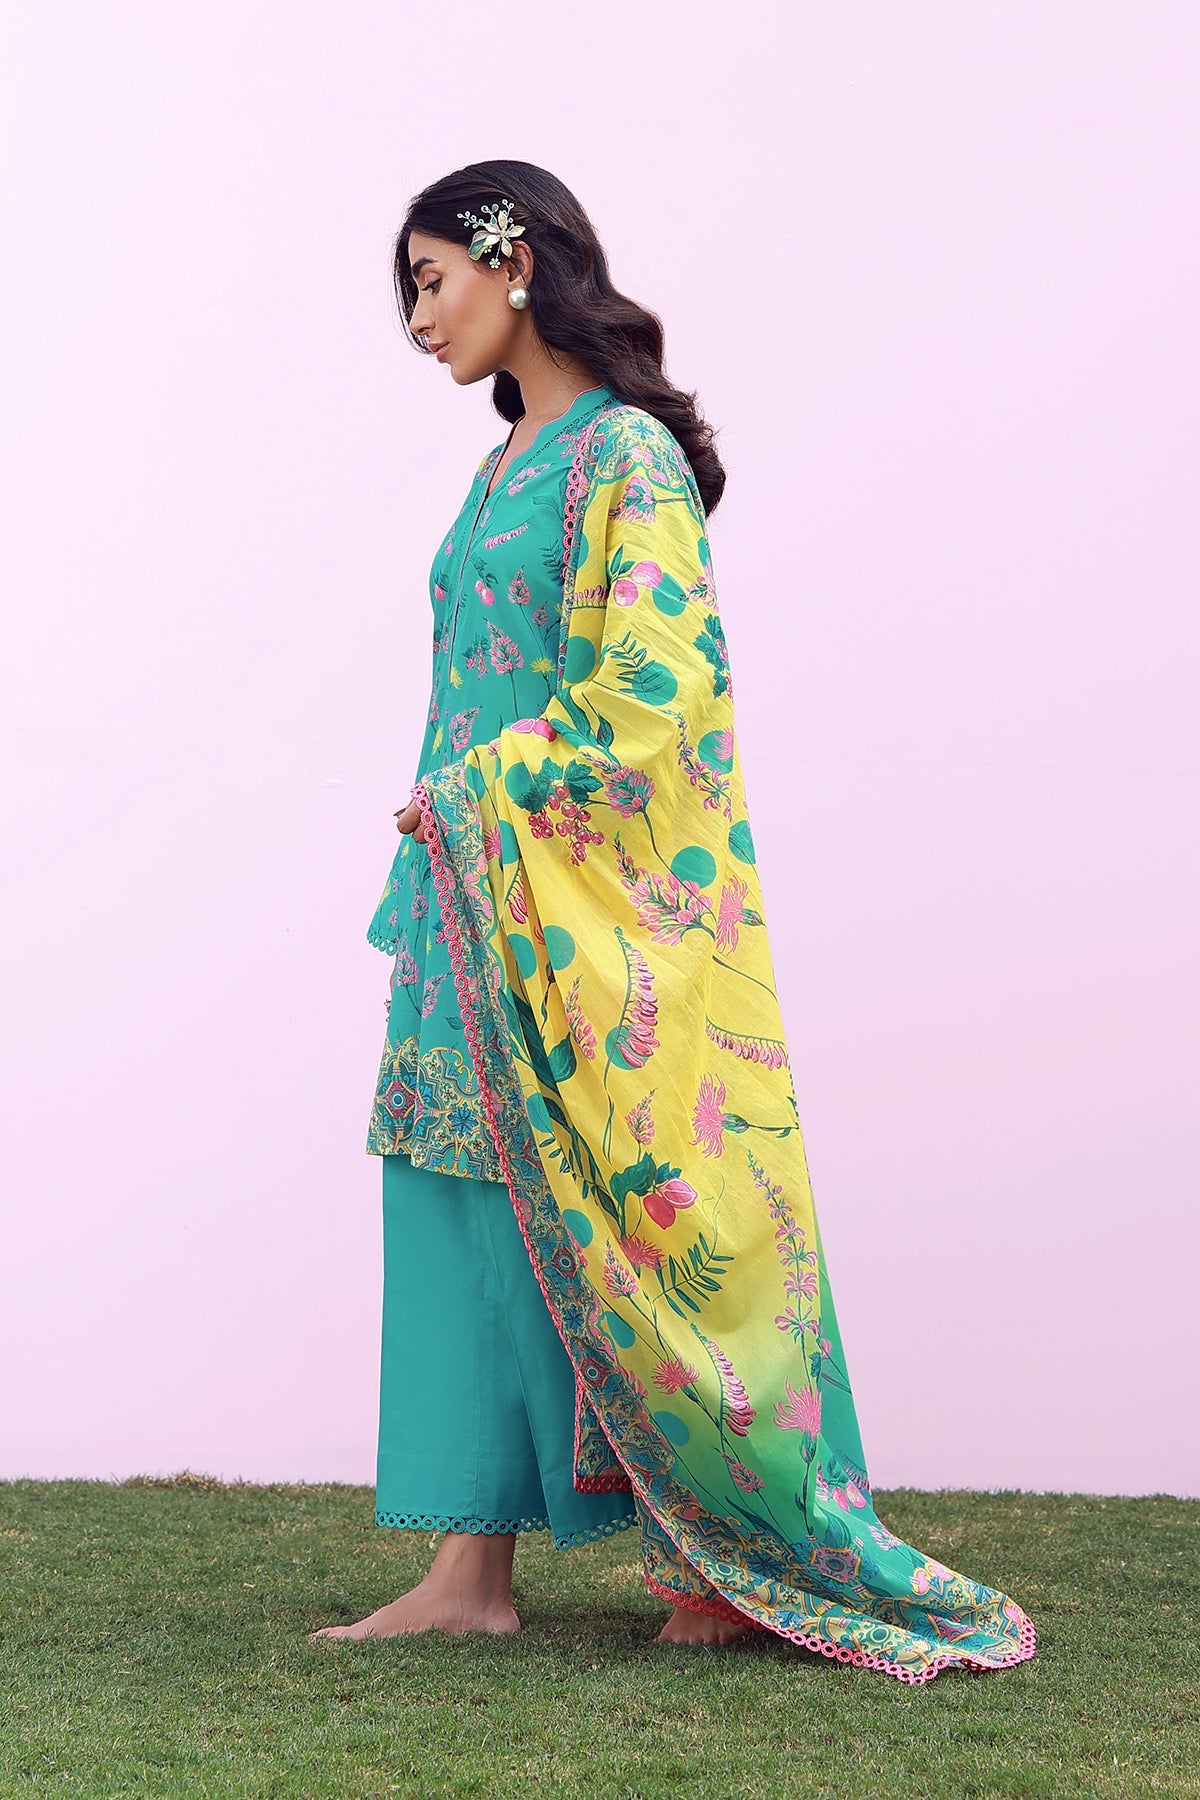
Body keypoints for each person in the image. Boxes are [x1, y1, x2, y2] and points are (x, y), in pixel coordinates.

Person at [312, 160, 1036, 1683]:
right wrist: (462, 820)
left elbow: (660, 685)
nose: (417, 321)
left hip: (585, 901)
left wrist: (497, 785)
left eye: (430, 280)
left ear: (515, 263)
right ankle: (468, 1569)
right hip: (474, 884)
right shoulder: (502, 468)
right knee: (465, 1198)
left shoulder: (623, 457)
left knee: (647, 1212)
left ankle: (722, 1557)